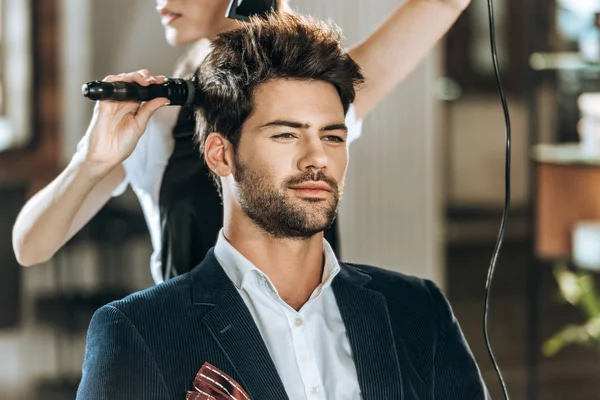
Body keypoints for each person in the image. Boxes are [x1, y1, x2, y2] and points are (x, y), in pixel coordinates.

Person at [76, 13, 489, 400]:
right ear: (221, 154)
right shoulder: (139, 330)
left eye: (332, 137)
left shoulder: (418, 309)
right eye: (286, 136)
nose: (317, 159)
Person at [12, 0, 473, 284]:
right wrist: (91, 163)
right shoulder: (155, 121)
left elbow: (441, 4)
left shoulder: (320, 95)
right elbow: (30, 247)